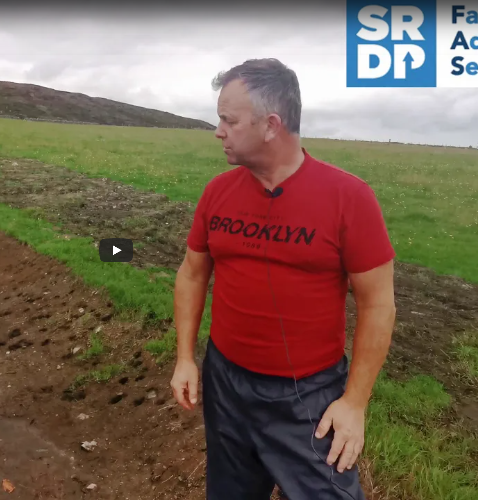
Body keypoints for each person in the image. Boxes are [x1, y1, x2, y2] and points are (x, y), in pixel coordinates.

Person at [170, 58, 397, 499]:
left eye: (228, 120)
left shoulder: (349, 198)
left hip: (306, 398)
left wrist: (354, 403)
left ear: (271, 124)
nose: (218, 130)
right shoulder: (218, 192)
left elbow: (378, 304)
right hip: (226, 384)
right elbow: (192, 273)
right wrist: (185, 357)